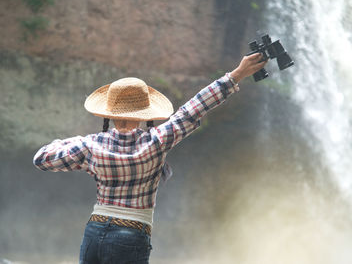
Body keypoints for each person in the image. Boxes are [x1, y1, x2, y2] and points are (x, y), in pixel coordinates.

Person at [33, 53, 267, 264]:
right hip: (131, 235)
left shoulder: (89, 145)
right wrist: (237, 74)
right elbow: (193, 110)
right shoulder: (156, 141)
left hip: (94, 232)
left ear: (109, 114)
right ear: (143, 114)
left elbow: (41, 159)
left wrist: (70, 141)